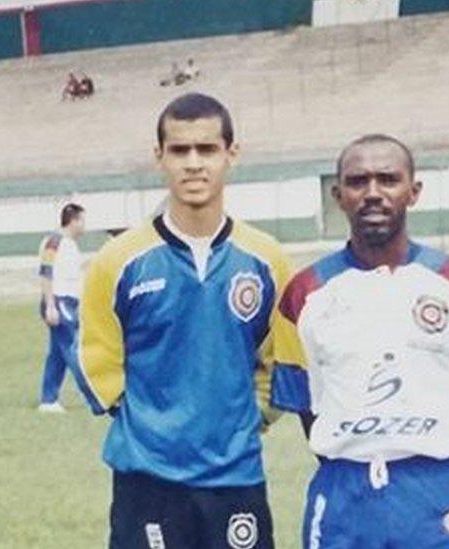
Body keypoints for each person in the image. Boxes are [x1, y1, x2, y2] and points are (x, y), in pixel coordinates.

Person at [271, 134, 449, 548]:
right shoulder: (304, 294)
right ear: (338, 195)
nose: (373, 193)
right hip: (343, 490)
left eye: (388, 179)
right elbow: (307, 406)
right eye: (357, 181)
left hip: (437, 491)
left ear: (413, 191)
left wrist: (425, 455)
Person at [76, 93, 291, 548]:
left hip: (236, 477)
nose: (194, 164)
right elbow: (96, 358)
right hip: (148, 483)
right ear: (160, 158)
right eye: (179, 150)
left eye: (207, 149)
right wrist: (151, 427)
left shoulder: (266, 260)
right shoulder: (118, 261)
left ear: (231, 155)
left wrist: (248, 418)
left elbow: (280, 359)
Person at [36, 203, 86, 413]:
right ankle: (95, 395)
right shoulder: (54, 241)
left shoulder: (71, 245)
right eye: (82, 220)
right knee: (74, 349)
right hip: (59, 301)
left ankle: (48, 400)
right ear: (73, 220)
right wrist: (50, 305)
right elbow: (46, 272)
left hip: (70, 301)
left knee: (57, 354)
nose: (84, 226)